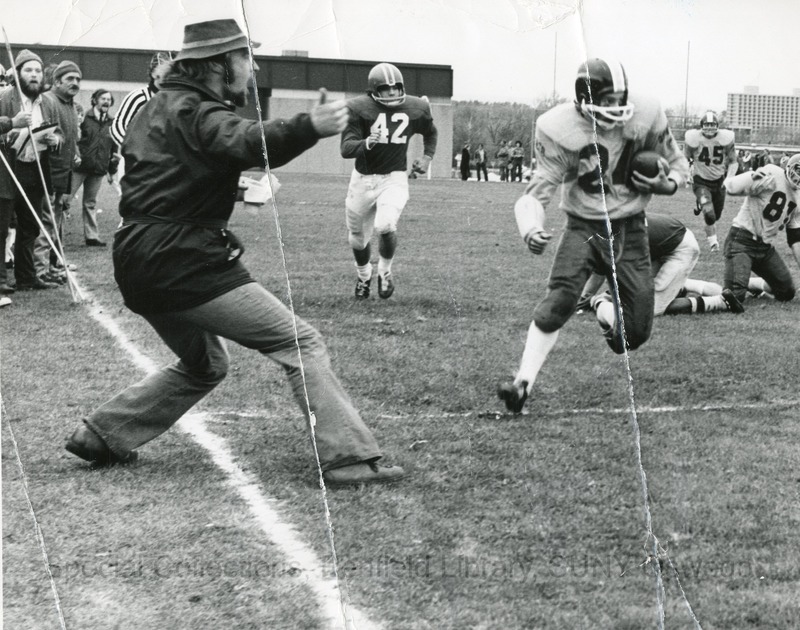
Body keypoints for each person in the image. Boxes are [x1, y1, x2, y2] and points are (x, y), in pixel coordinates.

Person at [64, 19, 403, 486]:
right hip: (182, 260)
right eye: (246, 57)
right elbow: (248, 142)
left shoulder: (157, 109)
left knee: (207, 365)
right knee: (299, 342)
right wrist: (311, 124)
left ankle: (101, 434)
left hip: (137, 259)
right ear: (218, 65)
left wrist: (229, 191)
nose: (254, 67)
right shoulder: (201, 112)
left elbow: (173, 175)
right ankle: (349, 458)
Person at [497, 58, 689, 413]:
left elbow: (678, 164)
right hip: (583, 227)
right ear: (583, 100)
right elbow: (535, 193)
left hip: (630, 228)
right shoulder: (558, 127)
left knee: (636, 334)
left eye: (621, 98)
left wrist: (668, 184)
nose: (617, 108)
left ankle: (602, 307)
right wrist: (531, 228)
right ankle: (522, 383)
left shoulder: (646, 113)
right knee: (559, 301)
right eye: (608, 99)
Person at [340, 62, 438, 300]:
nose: (393, 93)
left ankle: (384, 272)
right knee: (357, 237)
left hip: (394, 177)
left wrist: (426, 158)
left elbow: (431, 131)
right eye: (386, 88)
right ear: (374, 91)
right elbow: (345, 148)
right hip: (362, 179)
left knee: (385, 225)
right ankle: (364, 276)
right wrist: (365, 143)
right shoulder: (358, 108)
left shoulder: (416, 107)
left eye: (396, 87)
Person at [576, 214, 744, 316]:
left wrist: (590, 301)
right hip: (664, 246)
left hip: (680, 248)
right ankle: (682, 285)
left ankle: (720, 302)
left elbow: (604, 270)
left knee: (651, 309)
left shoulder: (616, 230)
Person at [0, 49, 63, 291]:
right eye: (28, 70)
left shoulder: (46, 102)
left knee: (30, 226)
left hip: (34, 170)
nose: (34, 75)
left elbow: (59, 134)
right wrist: (12, 124)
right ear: (17, 74)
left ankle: (26, 277)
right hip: (7, 170)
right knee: (2, 227)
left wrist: (55, 140)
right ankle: (1, 281)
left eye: (37, 70)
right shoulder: (4, 97)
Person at [721, 153, 800, 305]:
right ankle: (689, 286)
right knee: (734, 297)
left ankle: (751, 284)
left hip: (765, 248)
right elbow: (731, 188)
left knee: (787, 292)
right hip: (741, 241)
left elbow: (796, 239)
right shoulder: (772, 173)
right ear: (790, 167)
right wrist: (750, 177)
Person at [35, 60, 82, 285]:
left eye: (78, 79)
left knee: (56, 223)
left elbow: (68, 137)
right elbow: (47, 134)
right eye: (70, 79)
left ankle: (51, 266)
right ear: (56, 81)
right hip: (49, 173)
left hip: (65, 173)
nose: (75, 83)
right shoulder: (49, 100)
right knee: (46, 223)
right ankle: (40, 271)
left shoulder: (70, 104)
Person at [683, 111, 738, 252]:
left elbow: (733, 162)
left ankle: (702, 204)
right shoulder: (694, 138)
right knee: (709, 213)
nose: (709, 128)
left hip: (719, 181)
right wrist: (686, 172)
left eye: (712, 124)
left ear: (717, 126)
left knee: (716, 215)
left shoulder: (725, 139)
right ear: (701, 126)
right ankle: (713, 243)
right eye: (706, 124)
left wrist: (729, 178)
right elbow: (684, 158)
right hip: (700, 180)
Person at [71, 89, 119, 247]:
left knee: (90, 203)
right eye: (103, 98)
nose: (106, 102)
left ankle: (92, 237)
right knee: (65, 202)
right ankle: (55, 237)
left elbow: (114, 148)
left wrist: (112, 169)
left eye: (108, 99)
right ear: (94, 100)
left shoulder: (112, 122)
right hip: (79, 167)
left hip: (98, 169)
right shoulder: (84, 118)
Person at [110, 52, 171, 147]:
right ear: (154, 73)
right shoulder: (138, 97)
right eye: (166, 72)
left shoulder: (172, 100)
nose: (169, 77)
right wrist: (130, 149)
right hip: (138, 158)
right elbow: (118, 125)